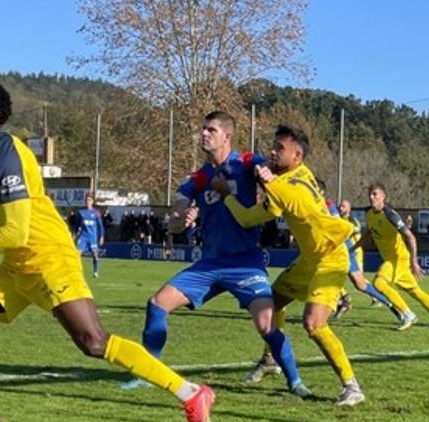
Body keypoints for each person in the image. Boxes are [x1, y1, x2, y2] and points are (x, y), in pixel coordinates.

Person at [0, 79, 215, 422]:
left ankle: (191, 394)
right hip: (16, 267)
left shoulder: (6, 151)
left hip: (50, 259)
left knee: (93, 343)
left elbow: (16, 233)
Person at [118, 111, 310, 398]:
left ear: (227, 137)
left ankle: (296, 383)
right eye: (203, 129)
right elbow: (174, 218)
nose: (204, 134)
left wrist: (268, 177)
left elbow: (274, 177)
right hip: (209, 264)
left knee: (266, 323)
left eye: (211, 130)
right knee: (157, 304)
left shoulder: (247, 163)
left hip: (245, 263)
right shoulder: (197, 178)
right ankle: (148, 372)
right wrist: (179, 221)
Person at [217, 125, 367, 407]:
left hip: (331, 257)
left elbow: (280, 195)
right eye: (272, 146)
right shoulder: (297, 174)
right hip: (310, 259)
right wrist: (246, 190)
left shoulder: (285, 187)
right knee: (271, 304)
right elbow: (253, 216)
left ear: (297, 155)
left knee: (313, 323)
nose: (272, 152)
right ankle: (270, 360)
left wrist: (239, 189)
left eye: (279, 149)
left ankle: (352, 386)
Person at [359, 183, 429, 330]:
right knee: (414, 291)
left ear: (383, 196)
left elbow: (410, 237)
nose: (371, 197)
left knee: (379, 283)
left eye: (375, 194)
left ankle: (408, 314)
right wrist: (353, 248)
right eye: (370, 194)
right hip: (392, 259)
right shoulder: (369, 214)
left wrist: (414, 261)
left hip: (398, 259)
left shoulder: (390, 214)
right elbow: (369, 233)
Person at [333, 198, 400, 321]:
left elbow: (357, 231)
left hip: (354, 253)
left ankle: (383, 301)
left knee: (359, 282)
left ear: (349, 208)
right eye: (340, 206)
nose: (340, 208)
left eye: (343, 206)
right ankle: (344, 299)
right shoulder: (337, 218)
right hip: (342, 253)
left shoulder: (352, 221)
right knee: (339, 279)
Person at [74, 194, 104, 278]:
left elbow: (100, 225)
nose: (88, 201)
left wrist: (101, 236)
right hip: (83, 237)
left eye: (90, 200)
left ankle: (95, 271)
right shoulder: (81, 212)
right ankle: (77, 272)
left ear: (92, 202)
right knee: (77, 254)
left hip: (92, 237)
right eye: (87, 200)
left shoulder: (96, 213)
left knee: (95, 255)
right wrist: (75, 234)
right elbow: (77, 225)